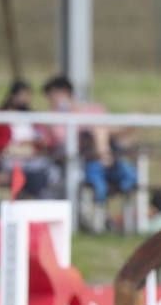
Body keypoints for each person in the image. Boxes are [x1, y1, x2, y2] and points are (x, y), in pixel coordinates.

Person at [39, 75, 138, 208]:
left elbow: (109, 131)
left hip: (99, 155)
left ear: (65, 92)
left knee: (101, 131)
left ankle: (106, 160)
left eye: (52, 95)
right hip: (81, 160)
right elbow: (59, 139)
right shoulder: (53, 118)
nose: (50, 100)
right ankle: (106, 160)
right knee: (99, 132)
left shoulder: (93, 109)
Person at [0, 80, 60, 199]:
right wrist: (11, 146)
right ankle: (27, 201)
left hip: (33, 161)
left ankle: (31, 202)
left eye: (27, 96)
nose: (25, 99)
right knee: (28, 176)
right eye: (22, 95)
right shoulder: (0, 116)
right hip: (8, 160)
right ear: (13, 96)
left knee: (49, 174)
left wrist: (35, 143)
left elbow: (44, 141)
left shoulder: (32, 117)